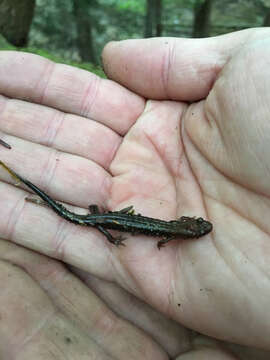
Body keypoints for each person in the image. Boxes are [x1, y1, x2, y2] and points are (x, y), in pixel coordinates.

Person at [0, 27, 270, 359]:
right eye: (198, 225)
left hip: (104, 217)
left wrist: (115, 231)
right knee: (84, 218)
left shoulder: (172, 233)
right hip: (100, 220)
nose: (198, 226)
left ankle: (35, 189)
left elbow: (165, 234)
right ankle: (37, 190)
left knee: (87, 215)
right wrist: (112, 237)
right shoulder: (171, 237)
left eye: (197, 228)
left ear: (187, 232)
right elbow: (161, 239)